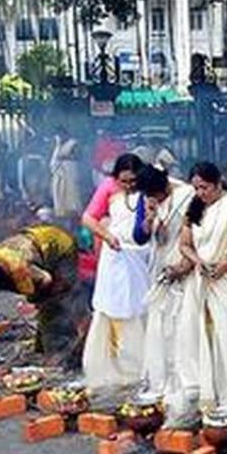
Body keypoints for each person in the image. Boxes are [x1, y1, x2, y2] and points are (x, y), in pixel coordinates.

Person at [171, 162, 227, 413]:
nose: (200, 193)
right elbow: (185, 245)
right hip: (205, 280)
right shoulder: (195, 208)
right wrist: (198, 261)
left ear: (218, 183)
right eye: (196, 187)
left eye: (205, 187)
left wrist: (226, 263)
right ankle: (216, 398)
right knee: (207, 338)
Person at [0, 224, 83, 361]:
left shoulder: (20, 268)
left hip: (60, 246)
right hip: (37, 242)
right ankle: (46, 348)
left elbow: (46, 280)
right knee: (45, 311)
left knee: (55, 306)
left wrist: (39, 302)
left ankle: (65, 352)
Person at [80, 154, 152, 390]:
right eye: (124, 181)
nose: (129, 185)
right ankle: (116, 368)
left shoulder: (148, 187)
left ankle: (144, 365)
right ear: (116, 178)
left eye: (133, 181)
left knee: (142, 306)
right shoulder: (108, 188)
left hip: (143, 255)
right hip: (116, 254)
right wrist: (107, 236)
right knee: (115, 306)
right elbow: (88, 218)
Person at [133, 165, 197, 411]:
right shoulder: (148, 198)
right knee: (160, 324)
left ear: (166, 186)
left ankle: (186, 381)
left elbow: (195, 233)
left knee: (182, 324)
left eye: (158, 196)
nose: (154, 199)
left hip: (183, 264)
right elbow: (143, 235)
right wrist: (150, 218)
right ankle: (162, 378)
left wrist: (185, 263)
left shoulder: (187, 196)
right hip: (160, 263)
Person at [49, 128, 85, 219]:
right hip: (59, 174)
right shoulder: (57, 145)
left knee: (72, 195)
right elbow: (53, 161)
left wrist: (64, 157)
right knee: (60, 195)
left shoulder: (73, 143)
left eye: (61, 135)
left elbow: (78, 156)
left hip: (70, 172)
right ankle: (62, 214)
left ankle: (75, 215)